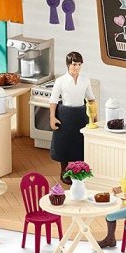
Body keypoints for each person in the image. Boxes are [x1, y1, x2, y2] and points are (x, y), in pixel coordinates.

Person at [49, 51, 96, 185]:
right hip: (65, 115)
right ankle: (64, 171)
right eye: (74, 64)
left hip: (80, 115)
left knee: (79, 144)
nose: (77, 67)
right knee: (64, 144)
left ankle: (78, 170)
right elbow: (53, 100)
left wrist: (94, 117)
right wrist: (52, 117)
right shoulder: (61, 81)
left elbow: (91, 99)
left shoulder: (85, 80)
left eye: (79, 64)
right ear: (68, 65)